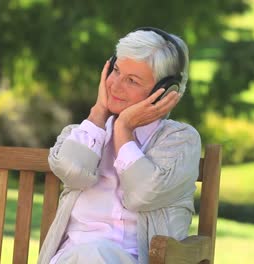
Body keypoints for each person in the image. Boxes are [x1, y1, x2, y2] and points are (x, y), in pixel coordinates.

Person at [38, 27, 201, 264]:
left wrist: (123, 129)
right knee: (89, 254)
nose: (115, 86)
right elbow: (73, 174)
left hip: (132, 259)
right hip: (72, 258)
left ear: (164, 92)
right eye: (115, 70)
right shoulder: (83, 134)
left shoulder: (180, 141)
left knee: (95, 254)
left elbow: (142, 195)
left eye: (132, 81)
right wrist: (98, 113)